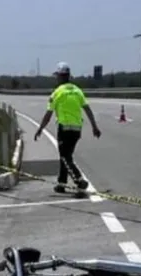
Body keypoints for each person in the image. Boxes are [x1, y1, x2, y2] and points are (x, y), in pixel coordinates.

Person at [34, 62, 101, 194]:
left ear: (60, 76)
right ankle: (62, 183)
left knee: (65, 157)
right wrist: (94, 127)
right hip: (77, 129)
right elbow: (87, 109)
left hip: (64, 129)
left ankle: (79, 180)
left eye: (57, 76)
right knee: (65, 155)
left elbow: (48, 115)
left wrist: (40, 129)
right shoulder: (77, 91)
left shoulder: (57, 93)